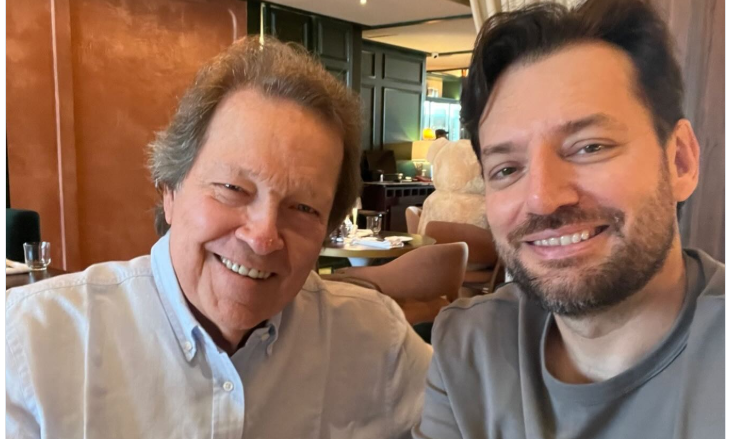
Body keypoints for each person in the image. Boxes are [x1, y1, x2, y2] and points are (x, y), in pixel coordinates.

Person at [7, 37, 432, 439]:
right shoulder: (30, 342)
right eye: (232, 188)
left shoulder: (375, 342)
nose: (263, 237)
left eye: (303, 208)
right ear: (169, 191)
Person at [414, 0, 724, 438]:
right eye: (507, 169)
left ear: (680, 162)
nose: (542, 199)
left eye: (590, 147)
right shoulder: (470, 349)